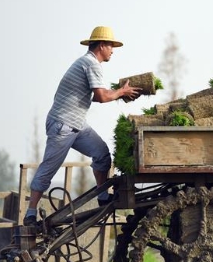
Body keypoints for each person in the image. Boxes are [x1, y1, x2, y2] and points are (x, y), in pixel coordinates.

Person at [24, 26, 141, 225]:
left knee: (102, 153)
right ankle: (30, 213)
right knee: (49, 168)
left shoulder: (86, 63)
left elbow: (95, 96)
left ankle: (103, 195)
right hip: (63, 124)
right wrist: (121, 92)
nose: (113, 51)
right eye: (111, 46)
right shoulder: (91, 64)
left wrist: (117, 92)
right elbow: (102, 97)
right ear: (102, 46)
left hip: (76, 123)